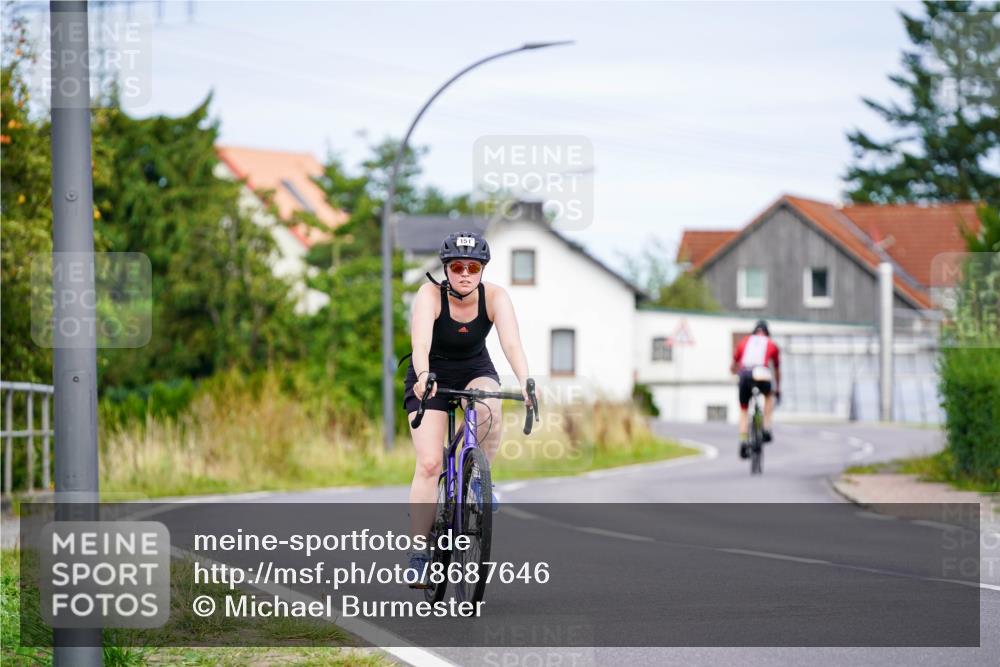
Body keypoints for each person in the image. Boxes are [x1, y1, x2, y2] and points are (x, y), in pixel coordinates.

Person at [402, 231, 531, 588]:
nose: (464, 273)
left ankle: (478, 479)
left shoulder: (495, 296)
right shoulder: (429, 295)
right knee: (429, 463)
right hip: (430, 372)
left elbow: (510, 342)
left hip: (476, 368)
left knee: (489, 406)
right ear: (446, 269)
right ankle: (418, 553)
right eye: (457, 266)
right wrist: (424, 376)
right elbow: (421, 342)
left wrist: (524, 381)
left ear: (481, 270)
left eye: (472, 267)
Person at [731, 320, 781, 459]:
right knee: (769, 397)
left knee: (744, 410)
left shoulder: (745, 341)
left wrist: (734, 372)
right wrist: (778, 389)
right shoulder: (771, 344)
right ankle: (765, 428)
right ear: (767, 333)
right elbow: (776, 370)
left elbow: (734, 363)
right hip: (761, 374)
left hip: (745, 375)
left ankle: (743, 441)